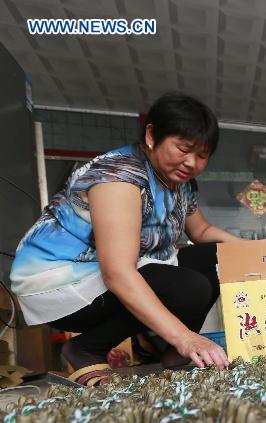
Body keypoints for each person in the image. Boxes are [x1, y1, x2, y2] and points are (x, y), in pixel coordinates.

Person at [11, 93, 237, 384]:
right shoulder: (119, 177)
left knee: (221, 256)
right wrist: (187, 338)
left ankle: (170, 352)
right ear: (152, 135)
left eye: (202, 155)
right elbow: (117, 272)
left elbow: (202, 232)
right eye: (183, 149)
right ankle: (87, 349)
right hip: (61, 278)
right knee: (189, 287)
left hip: (120, 267)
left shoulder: (179, 181)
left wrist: (260, 251)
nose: (192, 162)